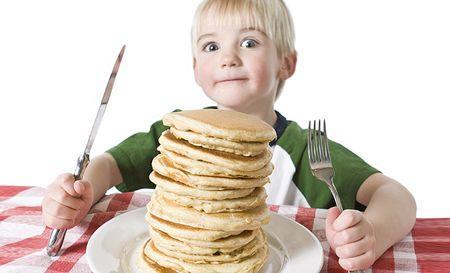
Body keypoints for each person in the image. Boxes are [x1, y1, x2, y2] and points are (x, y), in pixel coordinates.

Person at [41, 0, 416, 270]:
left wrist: (372, 233)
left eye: (250, 42)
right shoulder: (176, 136)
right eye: (211, 46)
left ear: (286, 62)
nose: (229, 57)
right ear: (195, 67)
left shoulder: (303, 151)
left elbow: (395, 196)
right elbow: (108, 165)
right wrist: (80, 193)